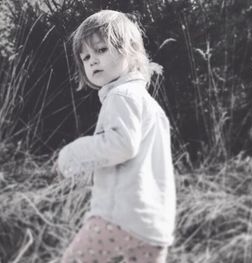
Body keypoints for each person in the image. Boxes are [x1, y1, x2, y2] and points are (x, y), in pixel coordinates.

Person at [55, 9, 175, 263]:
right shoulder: (149, 105)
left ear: (130, 50)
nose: (92, 61)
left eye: (100, 50)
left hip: (120, 218)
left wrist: (72, 154)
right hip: (154, 228)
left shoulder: (121, 96)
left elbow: (122, 145)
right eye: (85, 57)